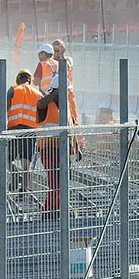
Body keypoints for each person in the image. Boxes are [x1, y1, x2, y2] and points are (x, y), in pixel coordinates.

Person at [36, 70, 82, 215]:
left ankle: (55, 211)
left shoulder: (66, 107)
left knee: (62, 183)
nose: (67, 94)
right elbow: (40, 104)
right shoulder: (46, 104)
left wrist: (77, 147)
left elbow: (70, 128)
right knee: (55, 184)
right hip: (48, 150)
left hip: (63, 151)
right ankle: (49, 212)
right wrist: (56, 92)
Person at [6, 69, 41, 193]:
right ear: (30, 80)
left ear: (18, 79)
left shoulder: (12, 90)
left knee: (5, 158)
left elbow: (5, 108)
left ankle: (15, 173)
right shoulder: (38, 94)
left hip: (14, 131)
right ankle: (24, 191)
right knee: (26, 164)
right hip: (30, 132)